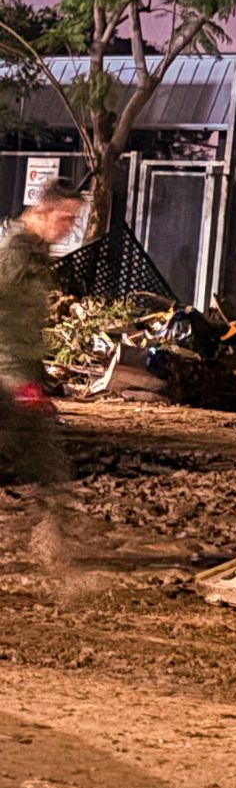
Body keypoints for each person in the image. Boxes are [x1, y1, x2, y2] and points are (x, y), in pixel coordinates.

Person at [0, 179, 82, 538]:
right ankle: (54, 540)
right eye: (65, 218)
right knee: (45, 454)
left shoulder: (35, 250)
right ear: (43, 211)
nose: (70, 228)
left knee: (40, 451)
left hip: (19, 366)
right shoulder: (14, 250)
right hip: (6, 369)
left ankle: (52, 534)